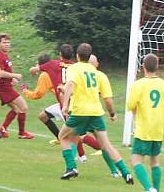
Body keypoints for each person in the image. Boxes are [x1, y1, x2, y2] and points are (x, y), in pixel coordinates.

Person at [57, 43, 133, 183]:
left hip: (80, 112)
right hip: (96, 113)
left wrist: (65, 105)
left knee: (62, 136)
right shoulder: (98, 74)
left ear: (78, 56)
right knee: (106, 145)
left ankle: (71, 168)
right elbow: (108, 99)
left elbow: (71, 84)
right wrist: (112, 113)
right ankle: (126, 173)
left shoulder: (74, 68)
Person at [23, 54, 109, 169]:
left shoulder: (45, 74)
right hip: (66, 102)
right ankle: (63, 141)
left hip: (66, 103)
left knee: (78, 133)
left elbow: (37, 94)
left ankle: (99, 150)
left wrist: (25, 91)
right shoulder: (69, 66)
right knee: (43, 116)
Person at [126, 54, 164, 192]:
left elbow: (131, 105)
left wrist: (137, 113)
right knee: (155, 161)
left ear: (143, 66)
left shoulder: (138, 85)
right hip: (157, 131)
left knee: (136, 160)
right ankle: (157, 189)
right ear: (157, 67)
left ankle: (149, 188)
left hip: (143, 130)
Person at [0, 33, 34, 139]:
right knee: (23, 107)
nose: (7, 44)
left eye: (8, 42)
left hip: (6, 86)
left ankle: (3, 128)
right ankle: (22, 133)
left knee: (16, 109)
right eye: (4, 42)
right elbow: (0, 73)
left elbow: (4, 73)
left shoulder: (5, 55)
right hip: (3, 88)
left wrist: (12, 79)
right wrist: (15, 75)